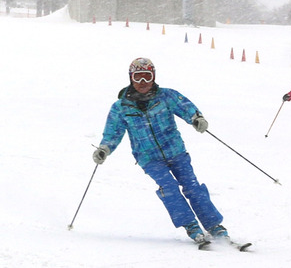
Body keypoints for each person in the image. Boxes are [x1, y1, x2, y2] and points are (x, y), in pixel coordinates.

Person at [92, 57, 228, 245]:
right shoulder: (121, 107)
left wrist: (196, 118)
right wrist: (104, 149)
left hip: (176, 152)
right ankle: (191, 226)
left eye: (146, 77)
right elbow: (113, 132)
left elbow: (185, 107)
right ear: (131, 78)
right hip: (149, 158)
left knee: (192, 187)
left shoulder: (166, 96)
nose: (142, 82)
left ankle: (214, 226)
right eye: (138, 77)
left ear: (153, 77)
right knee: (169, 188)